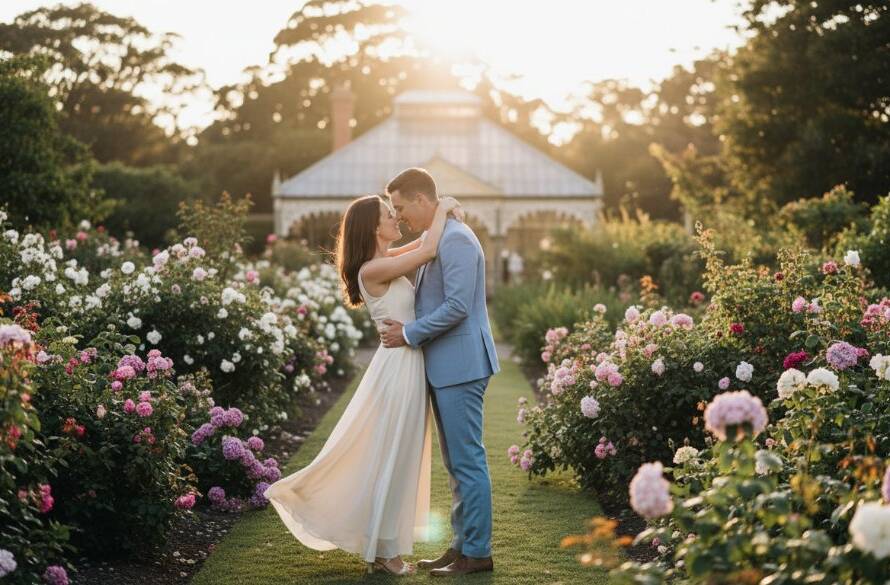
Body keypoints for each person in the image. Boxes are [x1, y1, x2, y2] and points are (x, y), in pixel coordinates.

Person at [264, 191, 463, 576]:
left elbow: (423, 243)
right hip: (398, 369)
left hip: (405, 364)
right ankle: (383, 553)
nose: (398, 219)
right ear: (374, 226)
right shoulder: (371, 270)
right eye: (391, 214)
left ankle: (382, 549)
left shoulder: (383, 260)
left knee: (399, 455)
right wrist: (443, 209)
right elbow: (427, 250)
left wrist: (443, 211)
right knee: (394, 455)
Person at [380, 167, 501, 576]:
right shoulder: (439, 237)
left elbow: (457, 307)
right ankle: (461, 545)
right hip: (447, 366)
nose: (399, 218)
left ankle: (478, 553)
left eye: (400, 208)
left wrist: (408, 333)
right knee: (456, 464)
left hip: (461, 366)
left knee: (467, 461)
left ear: (420, 199)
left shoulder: (458, 240)